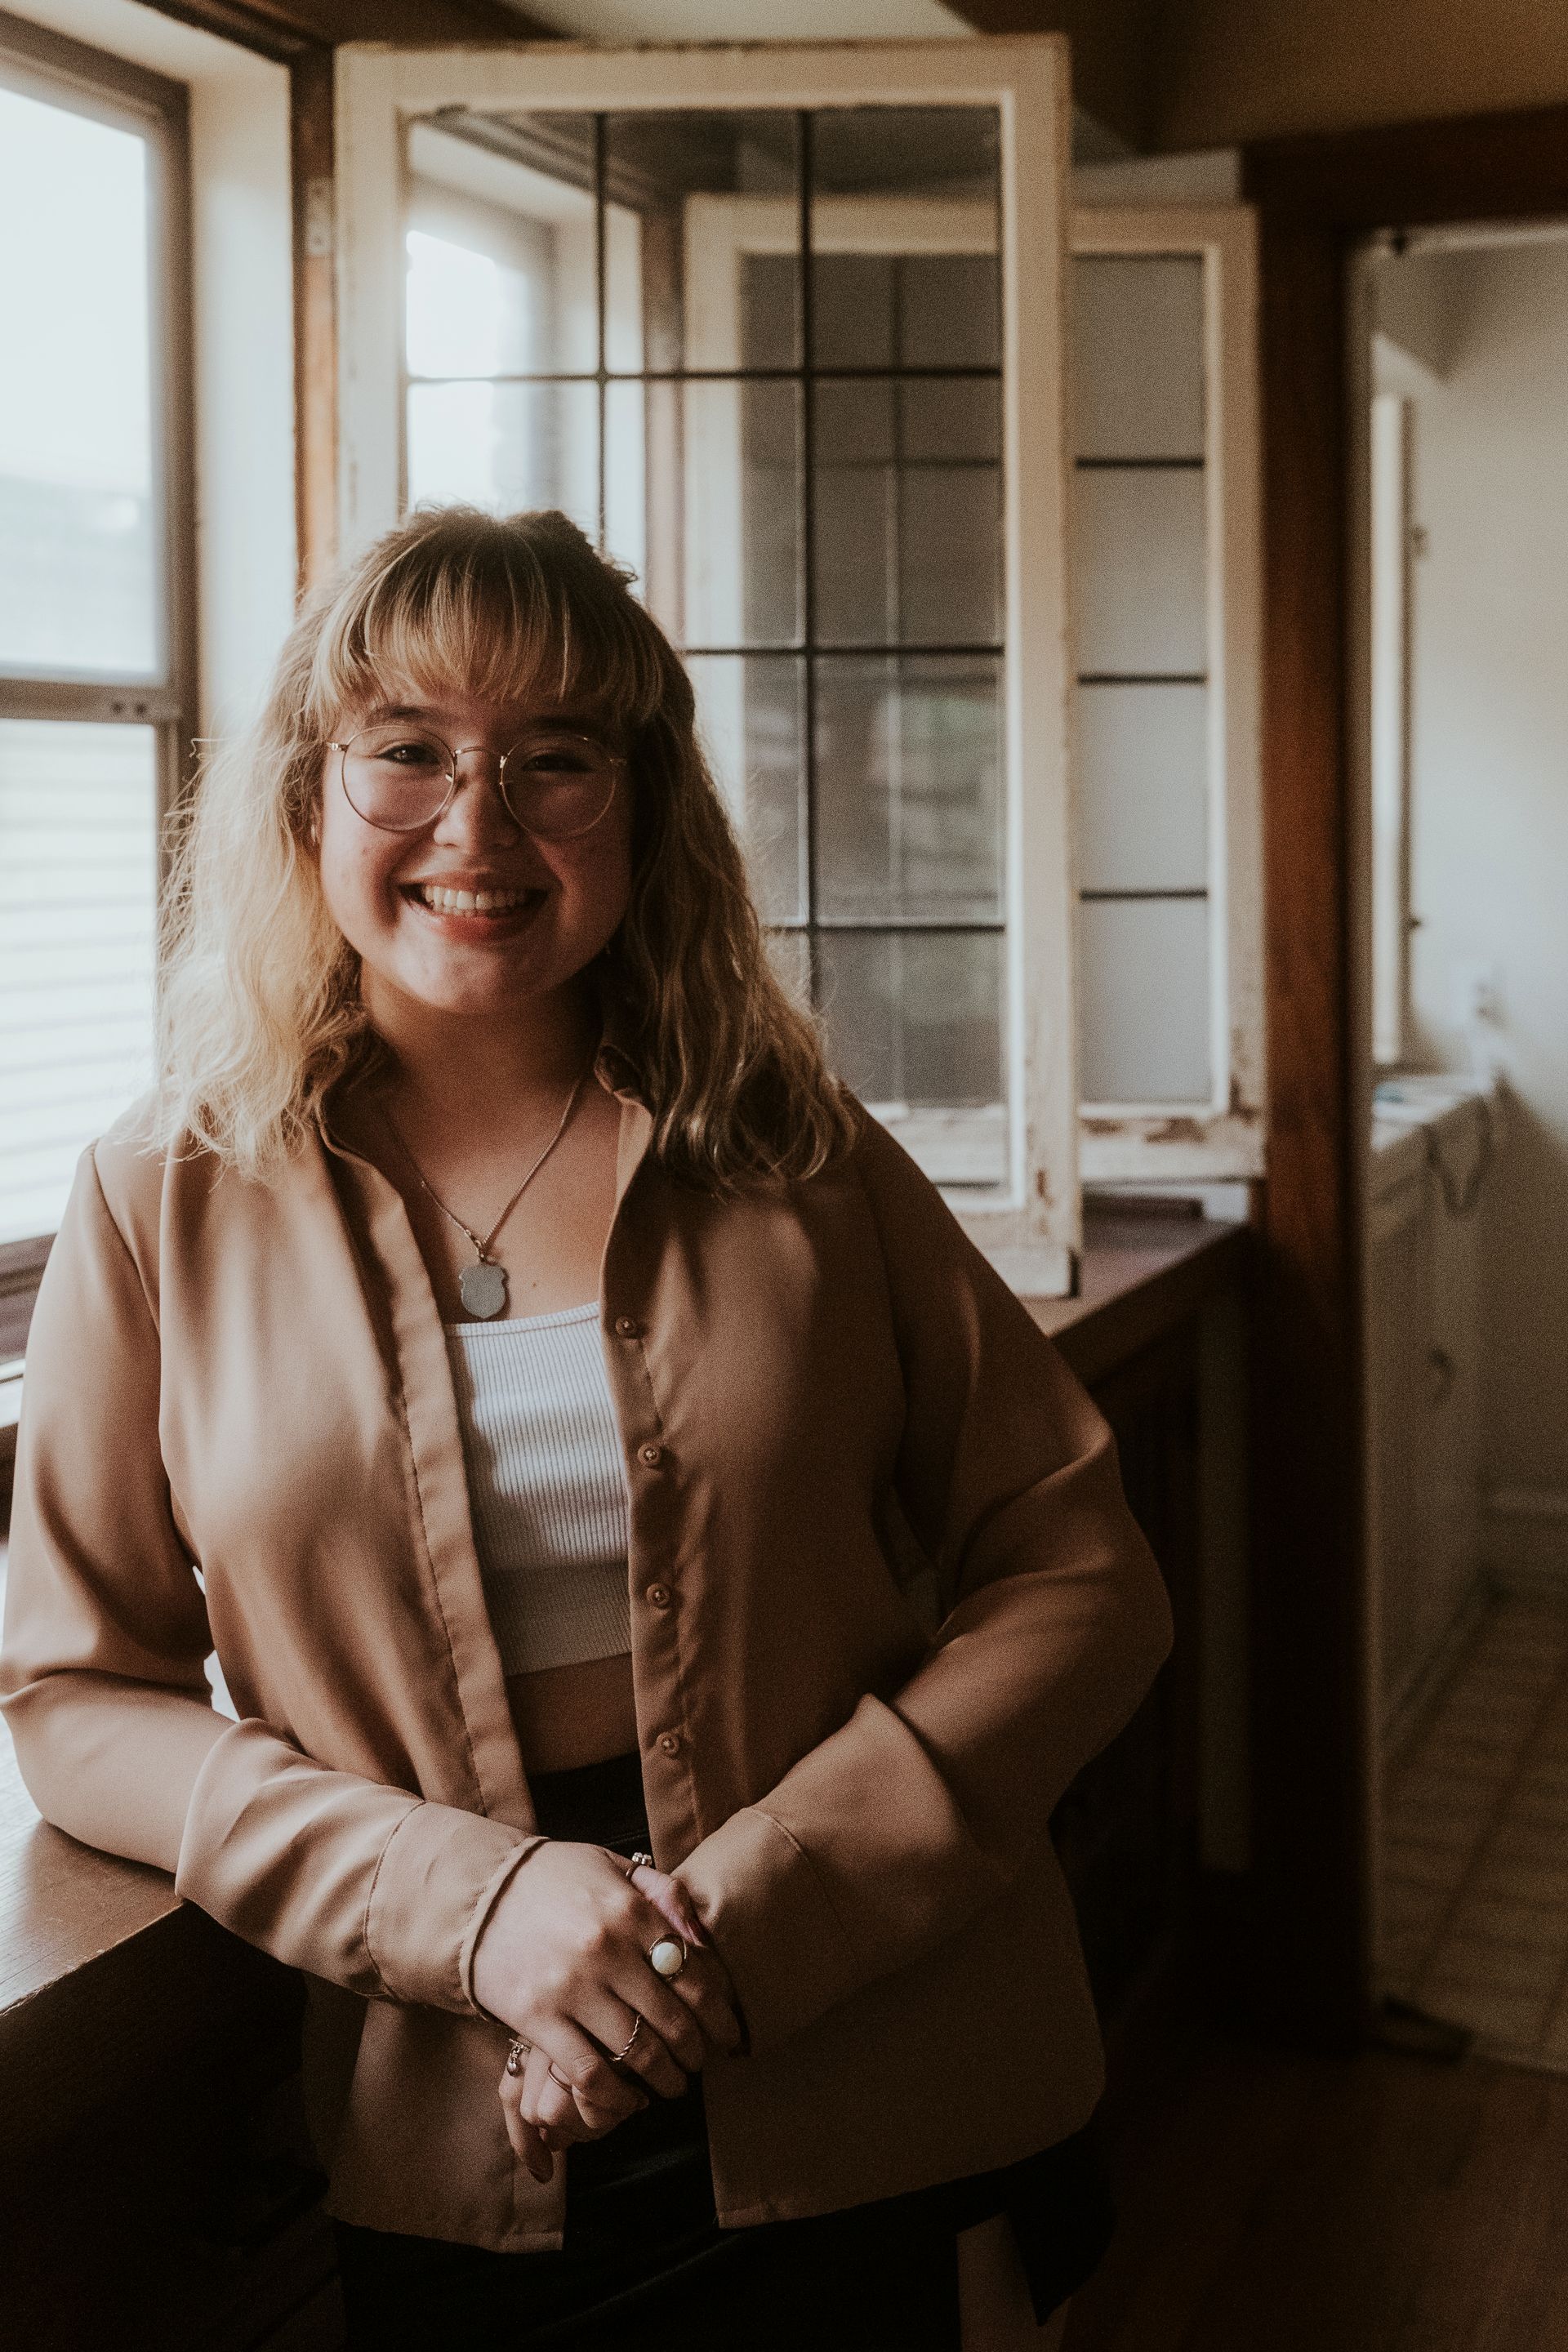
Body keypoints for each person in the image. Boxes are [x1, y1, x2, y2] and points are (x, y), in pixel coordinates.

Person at [1, 506, 1174, 2351]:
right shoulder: (161, 1203)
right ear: (311, 795)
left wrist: (749, 1924)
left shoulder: (802, 1153)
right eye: (410, 753)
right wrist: (477, 1909)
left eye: (558, 758)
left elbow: (1080, 1569)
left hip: (891, 2055)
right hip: (457, 2103)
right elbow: (74, 1700)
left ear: (643, 809)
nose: (481, 829)